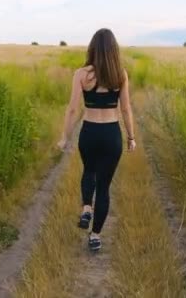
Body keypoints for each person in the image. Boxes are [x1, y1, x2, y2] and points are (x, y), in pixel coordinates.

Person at [57, 28, 136, 251]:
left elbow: (73, 110)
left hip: (89, 133)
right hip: (111, 135)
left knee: (89, 171)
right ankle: (95, 236)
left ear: (92, 48)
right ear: (114, 49)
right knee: (104, 187)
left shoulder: (81, 74)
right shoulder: (120, 74)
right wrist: (131, 137)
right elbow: (126, 108)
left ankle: (86, 209)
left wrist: (65, 137)